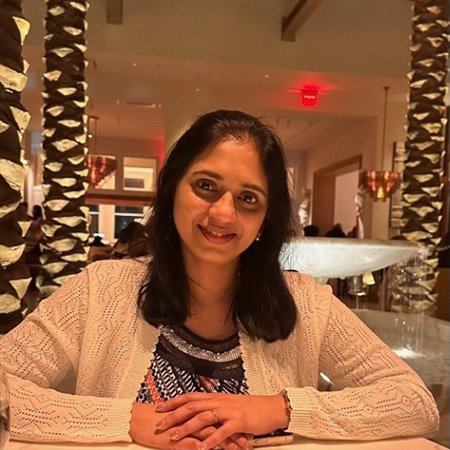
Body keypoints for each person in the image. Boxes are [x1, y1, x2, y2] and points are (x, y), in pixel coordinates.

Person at [1, 110, 439, 449]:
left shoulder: (306, 302)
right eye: (206, 186)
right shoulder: (102, 290)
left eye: (248, 198)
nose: (223, 214)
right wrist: (127, 420)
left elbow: (413, 402)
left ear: (266, 219)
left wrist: (279, 409)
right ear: (173, 188)